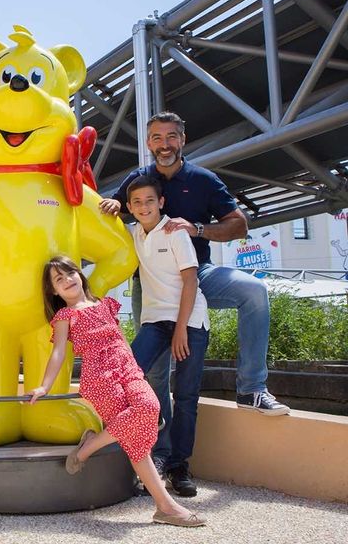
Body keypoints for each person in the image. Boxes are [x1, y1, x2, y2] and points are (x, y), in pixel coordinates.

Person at [99, 111, 289, 491]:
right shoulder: (137, 182)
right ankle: (160, 454)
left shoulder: (203, 180)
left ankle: (252, 388)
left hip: (196, 277)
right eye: (156, 137)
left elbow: (239, 224)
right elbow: (113, 211)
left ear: (182, 140)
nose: (164, 144)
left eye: (171, 136)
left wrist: (198, 227)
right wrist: (110, 206)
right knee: (153, 376)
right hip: (150, 287)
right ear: (148, 142)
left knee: (254, 292)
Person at [29, 256, 205, 528]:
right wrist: (44, 385)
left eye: (69, 273)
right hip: (100, 377)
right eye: (58, 280)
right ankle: (166, 507)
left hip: (128, 368)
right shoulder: (65, 315)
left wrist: (136, 369)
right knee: (137, 443)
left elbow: (120, 338)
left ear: (80, 274)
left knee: (150, 405)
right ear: (53, 291)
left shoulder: (103, 303)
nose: (67, 281)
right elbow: (59, 352)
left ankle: (89, 446)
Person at [126, 175, 209, 497]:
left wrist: (180, 331)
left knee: (186, 397)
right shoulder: (134, 233)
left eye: (149, 200)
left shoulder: (175, 233)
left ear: (161, 202)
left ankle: (178, 466)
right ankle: (152, 457)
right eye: (137, 202)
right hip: (155, 320)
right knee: (131, 376)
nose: (143, 206)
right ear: (130, 208)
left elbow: (191, 282)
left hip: (189, 320)